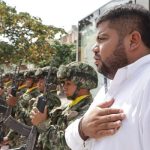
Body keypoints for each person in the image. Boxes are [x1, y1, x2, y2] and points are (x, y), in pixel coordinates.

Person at [65, 3, 150, 150]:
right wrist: (82, 128)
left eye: (102, 39)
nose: (94, 48)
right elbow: (70, 139)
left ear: (133, 40)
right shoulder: (111, 87)